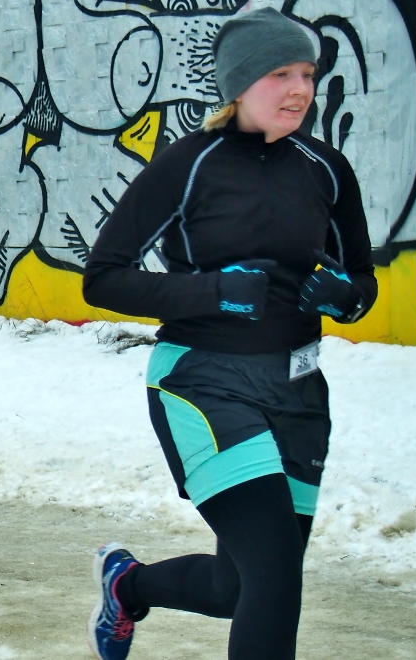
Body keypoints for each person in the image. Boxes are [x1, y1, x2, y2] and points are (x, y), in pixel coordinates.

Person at [80, 8, 378, 660]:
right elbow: (102, 279)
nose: (300, 89)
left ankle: (128, 586)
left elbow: (362, 280)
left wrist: (345, 297)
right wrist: (214, 292)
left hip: (298, 394)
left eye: (308, 74)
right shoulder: (187, 165)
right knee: (275, 579)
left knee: (237, 587)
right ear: (240, 83)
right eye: (281, 74)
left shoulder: (326, 168)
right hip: (204, 383)